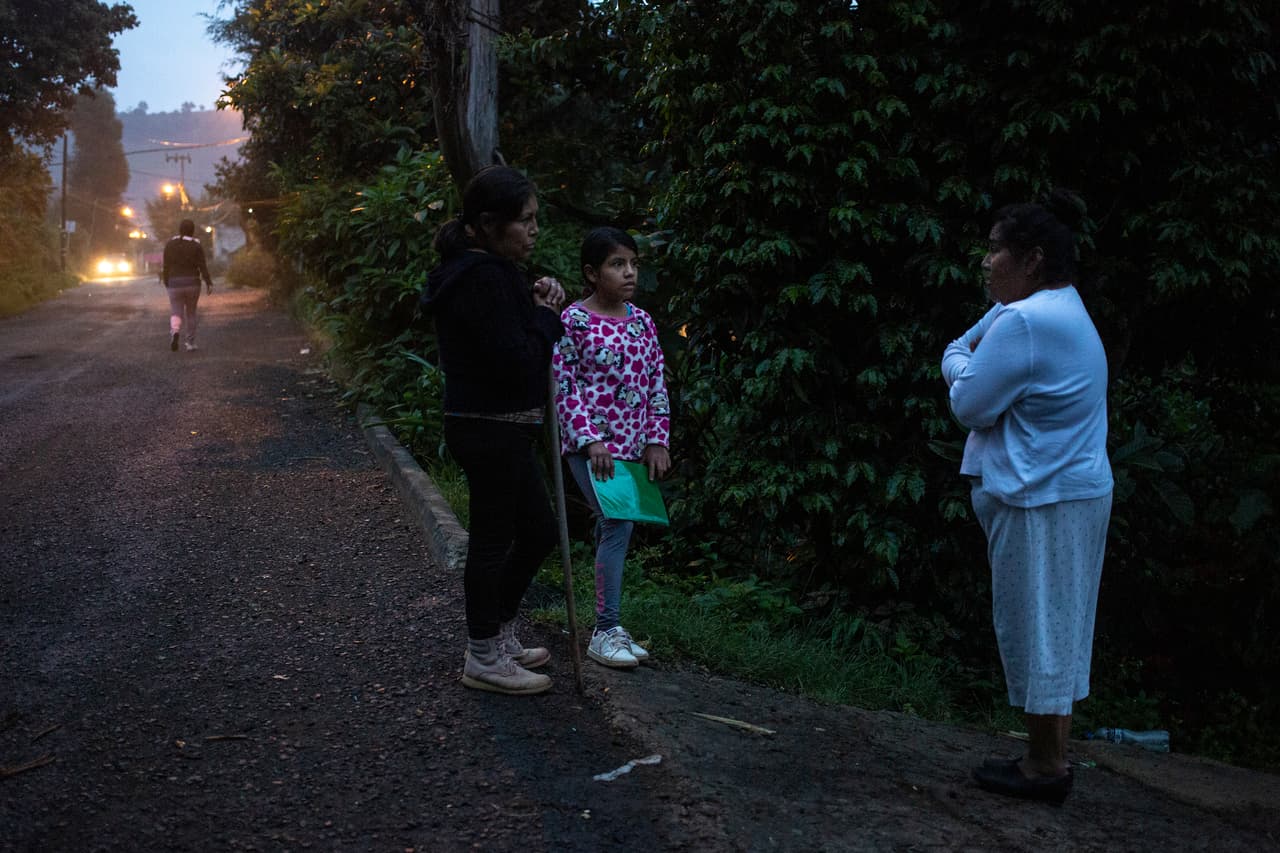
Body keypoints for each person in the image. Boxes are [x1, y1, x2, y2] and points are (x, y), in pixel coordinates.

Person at [941, 190, 1113, 804]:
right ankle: (1048, 758)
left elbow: (968, 401)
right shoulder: (1056, 306)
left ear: (1032, 258)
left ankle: (1045, 767)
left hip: (1041, 497)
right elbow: (973, 344)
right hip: (1067, 490)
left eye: (996, 250)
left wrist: (956, 361)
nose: (985, 261)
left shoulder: (1025, 322)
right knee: (1058, 628)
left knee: (1040, 628)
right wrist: (970, 349)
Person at [420, 165, 566, 696]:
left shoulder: (485, 272)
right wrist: (547, 315)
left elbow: (508, 339)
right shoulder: (483, 277)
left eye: (534, 219)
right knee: (492, 541)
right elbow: (520, 360)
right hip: (490, 429)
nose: (534, 230)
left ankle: (498, 632)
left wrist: (535, 305)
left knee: (538, 531)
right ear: (487, 223)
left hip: (494, 427)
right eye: (524, 220)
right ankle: (483, 654)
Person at [552, 227, 671, 669]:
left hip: (632, 448)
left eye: (633, 264)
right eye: (617, 264)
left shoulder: (642, 322)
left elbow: (656, 383)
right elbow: (564, 386)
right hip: (590, 447)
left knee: (619, 527)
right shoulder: (574, 321)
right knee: (616, 523)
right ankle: (605, 630)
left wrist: (657, 440)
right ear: (592, 272)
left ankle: (611, 628)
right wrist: (591, 440)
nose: (629, 273)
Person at [161, 219, 213, 352]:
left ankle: (175, 331)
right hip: (192, 282)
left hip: (174, 283)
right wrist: (208, 281)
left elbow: (166, 265)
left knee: (176, 311)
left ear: (180, 229)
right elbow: (202, 265)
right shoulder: (196, 245)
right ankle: (190, 343)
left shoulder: (170, 244)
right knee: (191, 313)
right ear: (192, 231)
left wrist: (166, 280)